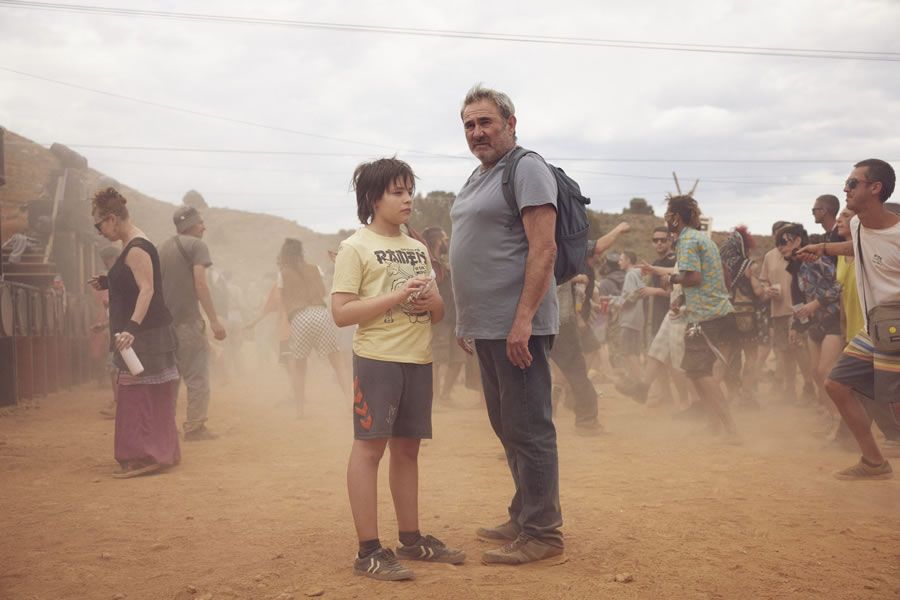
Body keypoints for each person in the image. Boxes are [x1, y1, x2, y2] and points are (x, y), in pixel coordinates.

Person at [331, 157, 464, 581]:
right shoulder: (355, 247)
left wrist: (432, 302)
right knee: (370, 450)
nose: (408, 199)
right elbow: (341, 313)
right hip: (378, 360)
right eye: (398, 192)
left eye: (410, 191)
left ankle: (411, 538)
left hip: (418, 360)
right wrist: (395, 296)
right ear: (374, 198)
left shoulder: (417, 248)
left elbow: (437, 313)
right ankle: (368, 551)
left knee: (408, 450)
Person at [449, 84, 564, 565]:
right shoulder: (480, 175)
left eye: (485, 122)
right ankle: (524, 514)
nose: (477, 132)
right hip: (488, 326)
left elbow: (544, 248)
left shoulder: (526, 167)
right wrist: (467, 319)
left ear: (511, 124)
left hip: (518, 328)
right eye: (469, 125)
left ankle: (543, 534)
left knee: (529, 427)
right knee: (507, 425)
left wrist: (523, 322)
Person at [798, 159, 899, 479]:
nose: (845, 189)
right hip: (874, 329)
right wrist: (822, 248)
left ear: (875, 188)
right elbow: (855, 247)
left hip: (896, 328)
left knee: (894, 407)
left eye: (853, 183)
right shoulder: (857, 226)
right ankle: (874, 462)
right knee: (836, 383)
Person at [88, 188, 180, 478]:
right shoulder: (132, 244)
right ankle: (156, 452)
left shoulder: (137, 247)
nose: (99, 232)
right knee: (145, 394)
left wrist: (131, 328)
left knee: (141, 396)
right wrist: (109, 281)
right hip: (146, 334)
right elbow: (135, 280)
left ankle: (147, 455)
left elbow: (147, 289)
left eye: (99, 225)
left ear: (112, 219)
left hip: (145, 336)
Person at [664, 195, 740, 439]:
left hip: (707, 318)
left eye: (668, 214)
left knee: (700, 373)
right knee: (698, 373)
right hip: (717, 314)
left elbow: (694, 277)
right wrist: (681, 300)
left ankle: (731, 428)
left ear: (676, 217)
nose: (666, 219)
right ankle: (715, 424)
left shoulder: (687, 240)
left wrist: (672, 278)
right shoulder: (702, 239)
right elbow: (705, 278)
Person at [158, 205, 227, 441]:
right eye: (200, 223)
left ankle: (165, 428)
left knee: (170, 378)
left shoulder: (162, 248)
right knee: (197, 377)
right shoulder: (197, 246)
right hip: (188, 323)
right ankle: (195, 427)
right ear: (190, 225)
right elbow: (200, 284)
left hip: (164, 327)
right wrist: (214, 321)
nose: (204, 227)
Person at [777, 223, 843, 432]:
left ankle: (840, 420)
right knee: (815, 372)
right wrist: (796, 326)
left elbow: (839, 286)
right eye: (777, 244)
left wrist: (816, 303)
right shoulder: (795, 266)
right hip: (815, 324)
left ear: (797, 240)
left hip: (833, 319)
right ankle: (832, 416)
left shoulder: (816, 260)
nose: (780, 247)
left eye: (783, 242)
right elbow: (798, 298)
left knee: (825, 371)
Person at [421, 226, 466, 407]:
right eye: (445, 239)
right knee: (436, 360)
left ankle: (445, 395)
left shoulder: (447, 262)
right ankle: (435, 398)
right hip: (439, 319)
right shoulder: (427, 263)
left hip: (455, 317)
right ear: (438, 242)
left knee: (459, 358)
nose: (448, 242)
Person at [92, 245, 121, 419]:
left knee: (115, 369)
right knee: (114, 369)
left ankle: (119, 404)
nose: (105, 264)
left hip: (120, 332)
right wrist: (103, 326)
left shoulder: (118, 276)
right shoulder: (116, 277)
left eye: (106, 260)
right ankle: (118, 402)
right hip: (116, 330)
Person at [610, 251, 645, 388]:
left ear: (628, 260)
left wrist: (615, 302)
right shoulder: (637, 274)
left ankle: (641, 383)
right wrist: (614, 299)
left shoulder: (630, 274)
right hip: (637, 319)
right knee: (634, 352)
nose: (619, 262)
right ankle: (635, 381)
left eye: (621, 259)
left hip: (629, 319)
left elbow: (630, 298)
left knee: (628, 352)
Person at [812, 194, 844, 266]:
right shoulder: (827, 236)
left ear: (823, 211)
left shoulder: (841, 235)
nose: (813, 214)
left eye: (814, 210)